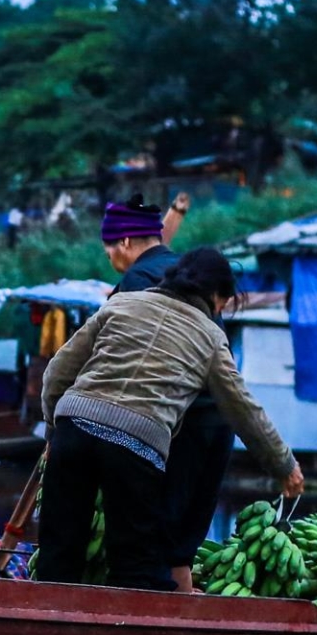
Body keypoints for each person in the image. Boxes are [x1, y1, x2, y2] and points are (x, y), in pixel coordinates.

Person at [38, 247, 302, 591]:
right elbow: (243, 410)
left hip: (74, 428)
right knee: (135, 567)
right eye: (223, 303)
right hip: (133, 445)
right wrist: (284, 465)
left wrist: (52, 431)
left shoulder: (121, 303)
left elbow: (57, 373)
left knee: (58, 552)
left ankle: (50, 634)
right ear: (215, 295)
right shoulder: (211, 337)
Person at [102, 192, 237, 592]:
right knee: (185, 533)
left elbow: (119, 359)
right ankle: (181, 607)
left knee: (153, 526)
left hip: (178, 420)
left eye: (110, 249)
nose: (111, 258)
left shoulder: (135, 282)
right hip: (221, 415)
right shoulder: (189, 271)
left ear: (124, 243)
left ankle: (148, 611)